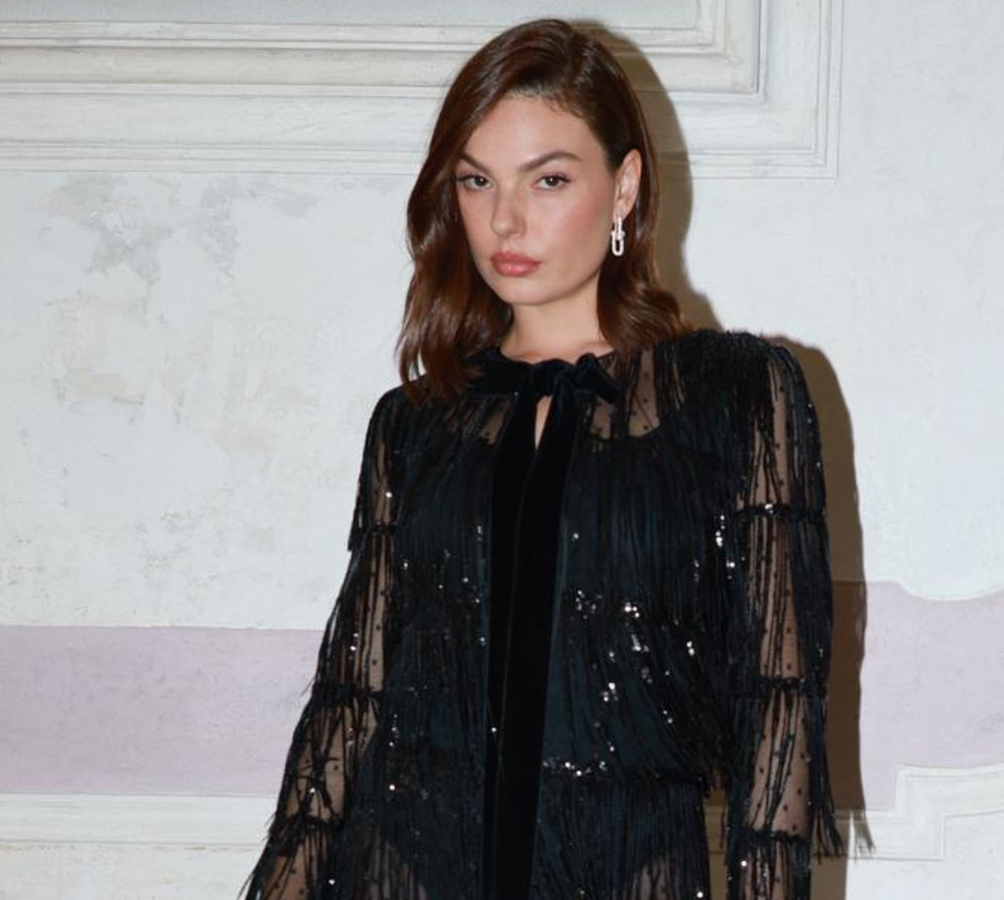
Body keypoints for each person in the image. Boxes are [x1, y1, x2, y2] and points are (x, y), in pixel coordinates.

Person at [240, 17, 843, 900]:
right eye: (476, 181)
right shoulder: (416, 424)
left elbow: (777, 698)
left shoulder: (736, 396)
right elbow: (353, 696)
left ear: (624, 186)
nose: (504, 220)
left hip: (625, 869)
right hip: (407, 871)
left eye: (548, 179)